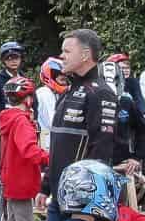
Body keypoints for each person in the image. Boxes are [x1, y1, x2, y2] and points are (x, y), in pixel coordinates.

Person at [43, 31, 133, 204]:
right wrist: (45, 187)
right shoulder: (67, 92)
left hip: (80, 198)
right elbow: (57, 144)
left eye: (67, 51)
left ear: (85, 55)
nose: (61, 56)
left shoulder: (101, 93)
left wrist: (84, 193)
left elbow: (102, 148)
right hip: (58, 194)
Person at [0, 77, 46, 221]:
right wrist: (50, 157)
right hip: (21, 183)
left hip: (10, 180)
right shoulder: (21, 122)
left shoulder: (8, 118)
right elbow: (30, 151)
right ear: (29, 99)